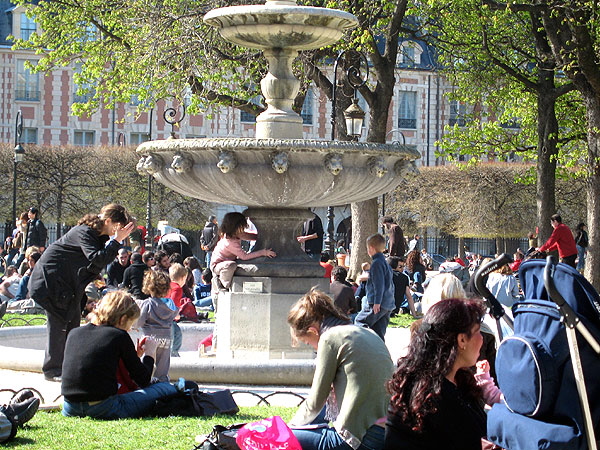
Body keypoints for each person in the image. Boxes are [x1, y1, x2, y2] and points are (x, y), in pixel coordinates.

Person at [28, 203, 135, 382]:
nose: (118, 232)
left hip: (68, 285)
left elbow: (97, 262)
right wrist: (116, 241)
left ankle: (69, 366)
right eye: (117, 227)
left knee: (72, 322)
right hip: (51, 283)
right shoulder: (84, 232)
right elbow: (97, 258)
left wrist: (115, 241)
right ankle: (53, 370)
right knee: (59, 323)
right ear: (108, 221)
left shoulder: (97, 237)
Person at [288, 288, 394, 450]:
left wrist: (289, 428)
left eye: (308, 343)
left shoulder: (330, 338)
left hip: (358, 439)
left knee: (284, 439)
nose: (313, 348)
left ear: (313, 331)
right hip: (384, 434)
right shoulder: (367, 332)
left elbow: (316, 401)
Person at [385, 298, 487, 450]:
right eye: (478, 331)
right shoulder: (438, 398)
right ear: (462, 340)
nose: (482, 338)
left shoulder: (447, 381)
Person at [61, 290, 179, 419]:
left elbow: (97, 365)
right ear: (122, 319)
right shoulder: (118, 335)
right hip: (104, 407)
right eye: (130, 324)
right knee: (164, 388)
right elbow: (144, 380)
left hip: (70, 407)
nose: (129, 329)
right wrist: (150, 354)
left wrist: (135, 355)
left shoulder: (74, 333)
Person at [210, 212, 276, 290]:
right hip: (218, 265)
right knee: (231, 265)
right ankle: (223, 284)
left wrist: (266, 236)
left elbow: (249, 236)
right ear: (236, 227)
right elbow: (244, 256)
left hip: (225, 260)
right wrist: (263, 252)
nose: (244, 229)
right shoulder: (229, 243)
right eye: (242, 227)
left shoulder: (233, 234)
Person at [138, 270, 179, 382]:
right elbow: (176, 314)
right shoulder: (170, 304)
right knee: (163, 363)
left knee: (148, 359)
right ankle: (162, 381)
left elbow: (140, 321)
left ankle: (147, 380)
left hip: (150, 337)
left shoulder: (148, 303)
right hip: (166, 336)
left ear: (149, 287)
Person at [354, 233, 395, 341]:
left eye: (367, 248)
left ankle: (364, 345)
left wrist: (377, 302)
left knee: (360, 321)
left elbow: (378, 284)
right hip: (388, 304)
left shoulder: (376, 263)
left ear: (371, 249)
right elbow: (389, 284)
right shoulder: (385, 263)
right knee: (379, 333)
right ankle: (380, 353)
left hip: (376, 303)